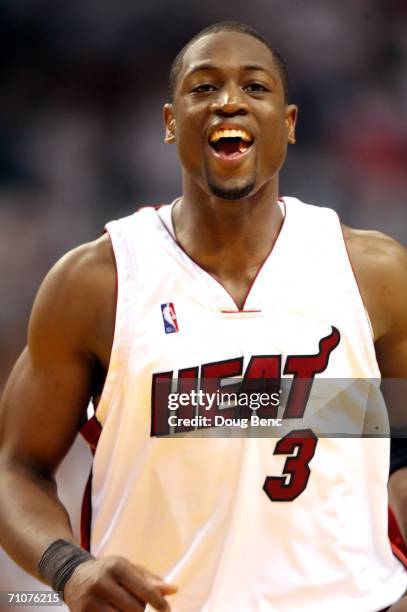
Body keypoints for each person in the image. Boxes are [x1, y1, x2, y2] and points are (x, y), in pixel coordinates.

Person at [0, 20, 406, 612]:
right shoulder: (97, 282)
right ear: (170, 123)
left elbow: (389, 436)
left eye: (255, 87)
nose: (229, 101)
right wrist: (69, 568)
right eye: (204, 87)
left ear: (289, 125)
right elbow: (16, 467)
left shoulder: (373, 271)